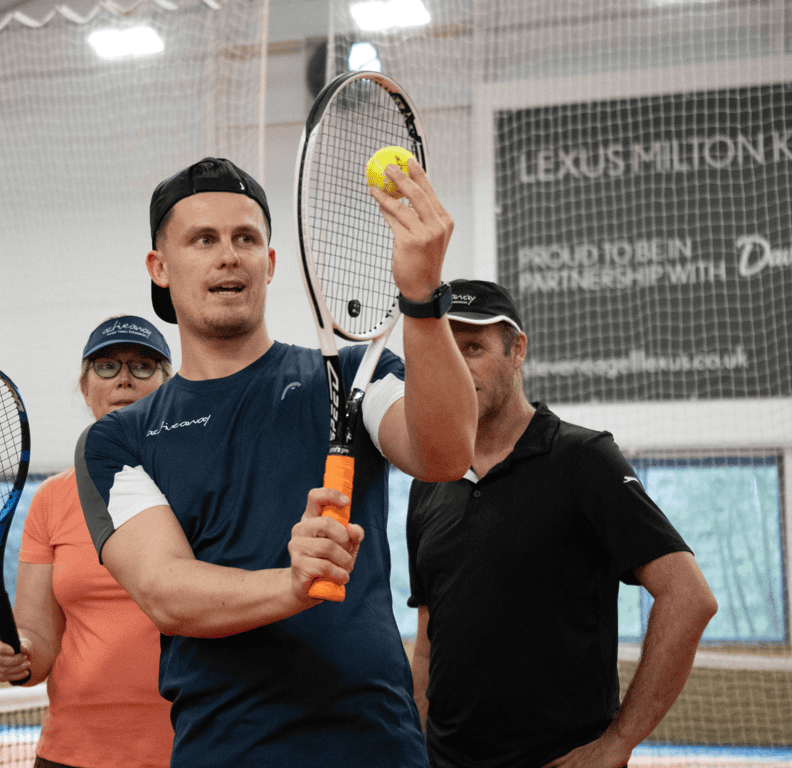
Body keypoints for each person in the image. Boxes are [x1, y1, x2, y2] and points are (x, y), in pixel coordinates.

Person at [75, 157, 477, 766]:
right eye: (202, 239)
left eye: (246, 238)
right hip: (225, 751)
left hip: (376, 747)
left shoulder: (350, 377)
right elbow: (165, 591)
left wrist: (422, 296)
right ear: (160, 268)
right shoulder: (119, 441)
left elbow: (446, 455)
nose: (228, 255)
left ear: (269, 261)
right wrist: (291, 587)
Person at [406, 279, 718, 768]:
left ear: (516, 351)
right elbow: (427, 643)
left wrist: (617, 743)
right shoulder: (430, 478)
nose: (460, 367)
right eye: (448, 350)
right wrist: (418, 746)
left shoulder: (584, 459)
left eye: (475, 347)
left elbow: (689, 597)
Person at [0, 315, 176, 768]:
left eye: (143, 366)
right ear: (86, 387)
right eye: (107, 367)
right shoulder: (52, 499)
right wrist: (21, 656)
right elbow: (39, 642)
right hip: (71, 753)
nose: (125, 379)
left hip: (189, 748)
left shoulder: (205, 486)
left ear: (172, 389)